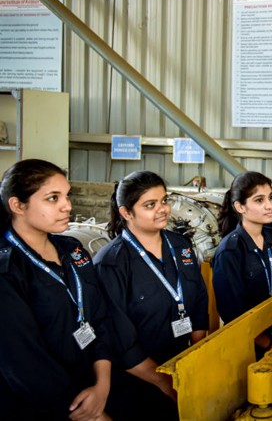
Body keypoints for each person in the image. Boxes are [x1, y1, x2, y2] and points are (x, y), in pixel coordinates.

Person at [0, 159, 114, 420]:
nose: (68, 206)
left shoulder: (72, 249)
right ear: (17, 205)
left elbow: (99, 317)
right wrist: (91, 412)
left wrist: (102, 386)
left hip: (95, 383)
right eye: (53, 198)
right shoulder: (8, 270)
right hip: (46, 405)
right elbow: (24, 363)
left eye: (67, 195)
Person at [95, 171, 208, 419]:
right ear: (126, 213)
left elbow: (199, 299)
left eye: (164, 200)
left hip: (181, 369)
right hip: (137, 382)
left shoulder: (181, 247)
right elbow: (121, 340)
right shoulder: (111, 264)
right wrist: (165, 383)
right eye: (150, 205)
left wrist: (197, 357)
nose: (163, 209)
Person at [212, 171, 272, 356]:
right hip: (248, 343)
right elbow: (232, 312)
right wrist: (265, 344)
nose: (269, 205)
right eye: (259, 200)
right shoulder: (229, 251)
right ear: (240, 207)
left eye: (271, 198)